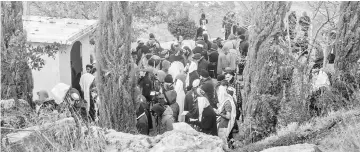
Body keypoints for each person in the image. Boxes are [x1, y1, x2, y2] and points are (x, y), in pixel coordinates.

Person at [216, 80, 237, 150]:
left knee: (223, 143)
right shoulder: (227, 100)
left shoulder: (227, 102)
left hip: (224, 124)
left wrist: (219, 113)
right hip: (223, 124)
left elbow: (228, 116)